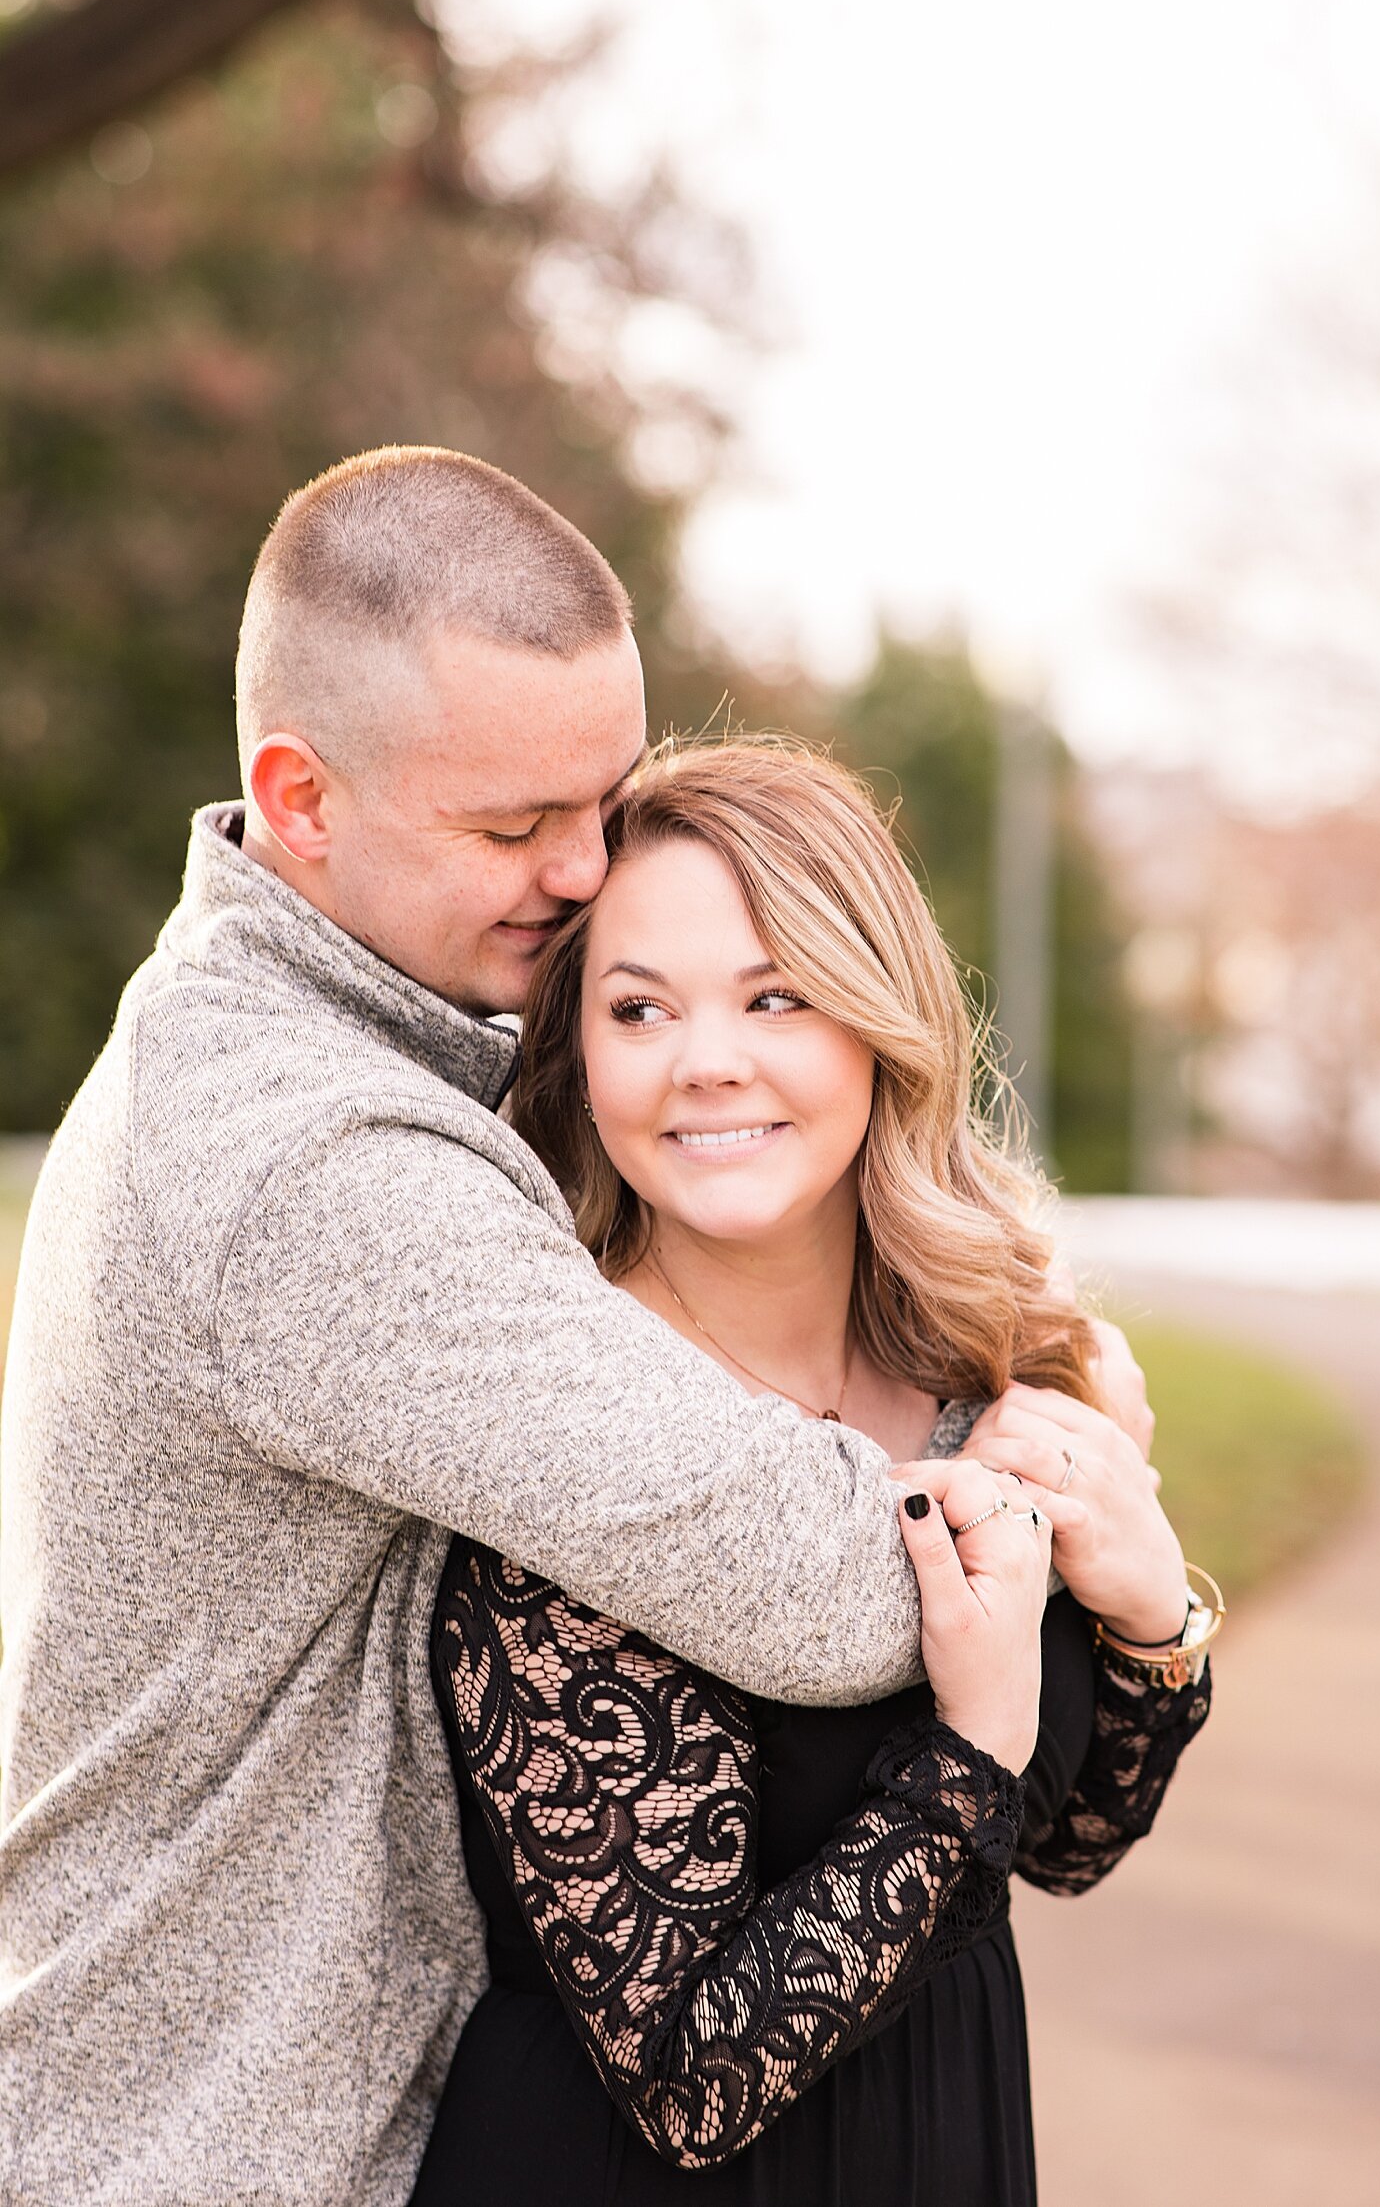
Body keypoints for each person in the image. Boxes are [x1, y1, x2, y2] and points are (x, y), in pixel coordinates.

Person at [1, 448, 1075, 2206]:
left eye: (607, 798)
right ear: (301, 795)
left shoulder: (380, 1035)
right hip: (226, 2152)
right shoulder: (308, 1162)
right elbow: (794, 1575)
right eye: (514, 827)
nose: (590, 873)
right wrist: (1052, 1499)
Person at [416, 742, 1216, 2207]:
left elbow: (1074, 1843)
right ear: (580, 1051)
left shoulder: (990, 1365)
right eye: (640, 1005)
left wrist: (1153, 1610)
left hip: (949, 2140)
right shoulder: (562, 1426)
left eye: (773, 993)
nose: (705, 1058)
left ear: (876, 1014)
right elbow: (690, 2074)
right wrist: (965, 1749)